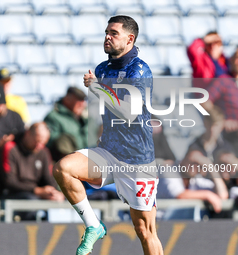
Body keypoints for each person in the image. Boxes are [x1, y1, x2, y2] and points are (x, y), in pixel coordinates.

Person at [53, 15, 163, 255]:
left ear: (129, 39)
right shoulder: (103, 68)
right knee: (63, 168)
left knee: (145, 231)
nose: (107, 37)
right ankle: (93, 225)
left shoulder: (139, 70)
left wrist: (96, 87)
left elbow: (128, 112)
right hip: (109, 152)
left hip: (137, 160)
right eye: (106, 32)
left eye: (114, 33)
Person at [0, 122, 64, 202]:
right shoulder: (10, 147)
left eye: (43, 143)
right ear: (28, 134)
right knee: (31, 200)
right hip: (10, 194)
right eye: (37, 141)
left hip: (35, 194)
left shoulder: (43, 151)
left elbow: (49, 178)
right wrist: (36, 190)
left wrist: (55, 193)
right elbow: (9, 182)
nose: (40, 146)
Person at [44, 86, 88, 162]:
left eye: (83, 100)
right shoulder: (54, 117)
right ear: (67, 99)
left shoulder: (85, 117)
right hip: (65, 163)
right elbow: (53, 143)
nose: (82, 104)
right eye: (78, 100)